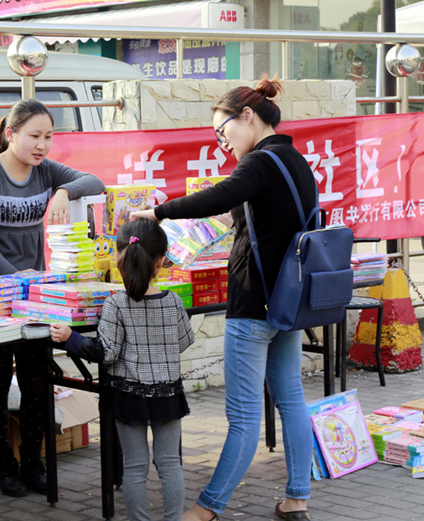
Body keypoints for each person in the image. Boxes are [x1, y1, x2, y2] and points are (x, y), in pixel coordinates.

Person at [131, 76, 316, 521]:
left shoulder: (260, 161)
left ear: (248, 117)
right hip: (286, 302)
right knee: (290, 398)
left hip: (255, 303)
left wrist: (157, 211)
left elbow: (220, 195)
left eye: (222, 131)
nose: (222, 142)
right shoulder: (295, 159)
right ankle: (297, 498)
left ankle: (207, 508)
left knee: (244, 415)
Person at [0, 98, 105, 497]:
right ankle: (5, 467)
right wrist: (16, 279)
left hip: (34, 299)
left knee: (36, 380)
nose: (42, 145)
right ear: (11, 134)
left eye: (49, 137)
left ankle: (33, 461)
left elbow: (94, 182)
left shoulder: (46, 172)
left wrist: (62, 191)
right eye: (34, 136)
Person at [50, 217, 195, 521]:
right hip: (167, 394)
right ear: (161, 261)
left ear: (118, 259)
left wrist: (71, 338)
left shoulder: (116, 305)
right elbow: (185, 340)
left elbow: (106, 352)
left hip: (128, 396)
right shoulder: (174, 303)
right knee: (170, 463)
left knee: (135, 466)